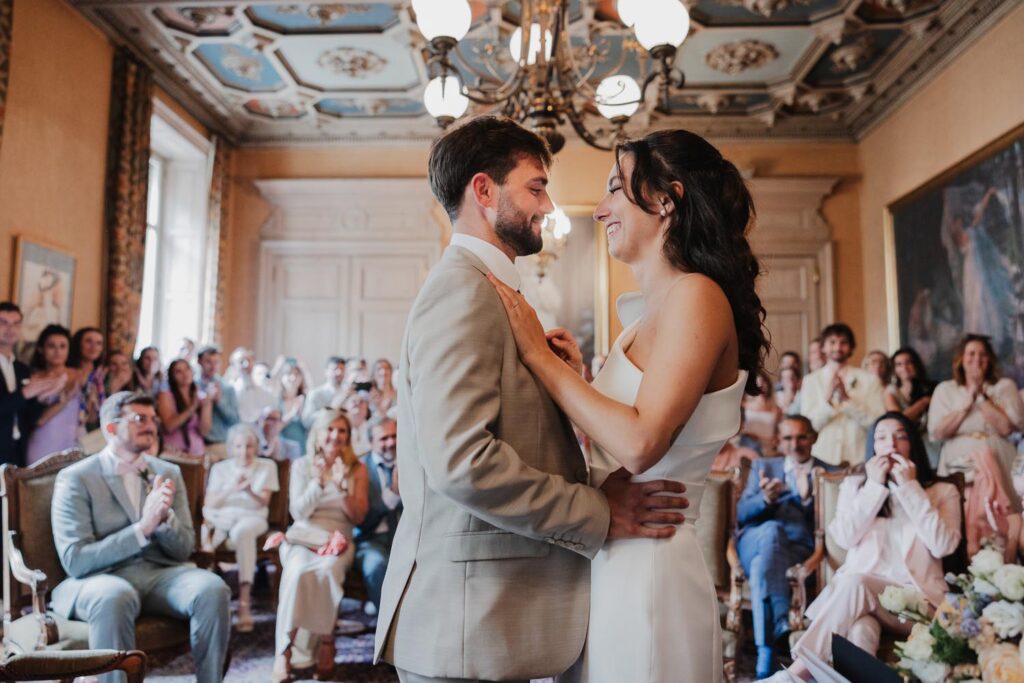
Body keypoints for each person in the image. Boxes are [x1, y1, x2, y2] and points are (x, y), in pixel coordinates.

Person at [375, 117, 689, 683]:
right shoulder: (462, 290)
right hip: (467, 623)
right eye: (536, 187)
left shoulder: (491, 290)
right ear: (483, 190)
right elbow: (462, 462)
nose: (548, 206)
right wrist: (598, 513)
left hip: (493, 617)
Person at [490, 126, 767, 682]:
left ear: (667, 200)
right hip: (615, 550)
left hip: (651, 566)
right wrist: (580, 380)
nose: (600, 210)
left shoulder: (698, 295)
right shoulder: (648, 315)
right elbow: (616, 445)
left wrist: (538, 357)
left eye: (616, 188)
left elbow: (641, 445)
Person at [50, 392, 231, 683]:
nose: (151, 426)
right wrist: (143, 528)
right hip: (100, 578)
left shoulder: (167, 472)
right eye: (139, 419)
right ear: (111, 428)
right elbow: (76, 560)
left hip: (160, 574)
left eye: (153, 419)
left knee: (212, 588)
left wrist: (164, 520)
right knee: (114, 596)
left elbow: (184, 549)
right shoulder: (76, 478)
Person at [768, 412, 961, 682]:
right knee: (861, 631)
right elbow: (844, 538)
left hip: (918, 605)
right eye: (882, 438)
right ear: (873, 446)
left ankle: (793, 675)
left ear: (913, 444)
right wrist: (874, 486)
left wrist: (910, 487)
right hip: (862, 603)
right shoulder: (856, 486)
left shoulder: (942, 491)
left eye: (900, 437)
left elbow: (943, 546)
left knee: (857, 582)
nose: (891, 444)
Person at [272, 408, 369, 681]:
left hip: (337, 538)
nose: (335, 436)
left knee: (327, 571)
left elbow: (358, 517)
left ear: (348, 436)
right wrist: (317, 482)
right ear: (318, 433)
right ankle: (284, 650)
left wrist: (341, 488)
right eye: (330, 429)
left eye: (342, 431)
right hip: (303, 536)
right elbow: (298, 513)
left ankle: (327, 642)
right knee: (297, 573)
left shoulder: (357, 469)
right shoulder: (302, 466)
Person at [736, 416, 827, 678]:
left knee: (761, 566)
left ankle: (765, 654)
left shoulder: (828, 471)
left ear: (814, 437)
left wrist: (807, 500)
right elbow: (741, 514)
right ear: (778, 441)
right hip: (754, 541)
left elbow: (833, 525)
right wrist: (765, 499)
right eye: (788, 438)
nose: (795, 445)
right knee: (771, 530)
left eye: (802, 437)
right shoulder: (763, 466)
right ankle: (779, 620)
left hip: (797, 551)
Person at [202, 422, 279, 632]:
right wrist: (232, 488)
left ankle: (244, 602)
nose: (244, 451)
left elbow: (263, 502)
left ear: (256, 447)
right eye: (239, 446)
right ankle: (209, 601)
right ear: (231, 448)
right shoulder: (220, 468)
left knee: (241, 532)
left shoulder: (267, 466)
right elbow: (209, 502)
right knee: (209, 529)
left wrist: (248, 490)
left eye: (249, 446)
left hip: (253, 517)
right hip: (222, 518)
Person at [928, 334, 1024, 480]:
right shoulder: (945, 389)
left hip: (1000, 458)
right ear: (961, 358)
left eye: (983, 354)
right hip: (958, 459)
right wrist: (966, 405)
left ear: (989, 359)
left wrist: (981, 397)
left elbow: (1006, 429)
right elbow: (939, 433)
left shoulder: (1005, 386)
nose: (977, 359)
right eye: (971, 353)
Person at [800, 323, 886, 467]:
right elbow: (809, 427)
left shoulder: (870, 380)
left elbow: (876, 424)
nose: (837, 347)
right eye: (832, 342)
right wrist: (827, 400)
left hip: (859, 459)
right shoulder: (811, 381)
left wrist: (848, 400)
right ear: (823, 347)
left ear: (851, 347)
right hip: (822, 459)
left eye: (843, 343)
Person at [354, 415, 401, 617]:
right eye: (383, 438)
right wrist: (393, 494)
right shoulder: (359, 469)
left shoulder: (411, 462)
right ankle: (391, 623)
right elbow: (362, 521)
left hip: (405, 538)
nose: (391, 443)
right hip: (370, 539)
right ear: (371, 442)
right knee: (376, 567)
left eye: (394, 436)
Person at [24, 325, 83, 464]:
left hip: (72, 442)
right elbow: (38, 420)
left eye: (63, 346)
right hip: (42, 441)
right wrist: (64, 400)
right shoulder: (33, 379)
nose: (57, 351)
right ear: (41, 349)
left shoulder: (79, 375)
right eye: (51, 346)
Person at [157, 358, 212, 456]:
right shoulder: (165, 395)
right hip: (173, 453)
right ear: (172, 376)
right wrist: (192, 408)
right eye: (178, 371)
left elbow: (204, 432)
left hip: (197, 454)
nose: (184, 374)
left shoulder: (200, 396)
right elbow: (169, 427)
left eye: (187, 369)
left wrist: (207, 406)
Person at [196, 345, 240, 461]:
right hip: (195, 445)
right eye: (208, 362)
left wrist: (219, 401)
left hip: (219, 445)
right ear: (199, 361)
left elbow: (235, 420)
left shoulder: (227, 388)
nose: (212, 366)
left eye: (216, 362)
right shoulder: (191, 386)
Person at [69, 327, 106, 433]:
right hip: (71, 429)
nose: (93, 347)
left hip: (96, 431)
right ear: (78, 344)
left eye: (99, 343)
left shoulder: (101, 375)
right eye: (88, 341)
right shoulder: (69, 372)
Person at [228, 347, 276, 423]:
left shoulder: (264, 391)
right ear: (234, 366)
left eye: (249, 360)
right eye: (241, 361)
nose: (246, 365)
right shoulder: (231, 391)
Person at [743, 371, 783, 456]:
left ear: (768, 385)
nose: (761, 385)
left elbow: (777, 433)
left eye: (763, 382)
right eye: (757, 383)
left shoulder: (776, 409)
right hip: (748, 444)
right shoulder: (744, 406)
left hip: (768, 446)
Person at [272, 357, 309, 447]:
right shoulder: (276, 400)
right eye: (289, 374)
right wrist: (293, 413)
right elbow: (274, 427)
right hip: (282, 447)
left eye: (296, 374)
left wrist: (305, 370)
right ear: (282, 377)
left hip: (301, 444)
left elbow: (308, 424)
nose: (293, 378)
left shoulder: (304, 399)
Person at [303, 356, 347, 428]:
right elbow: (307, 422)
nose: (339, 372)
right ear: (326, 371)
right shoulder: (315, 394)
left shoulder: (349, 394)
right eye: (335, 369)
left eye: (342, 369)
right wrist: (332, 408)